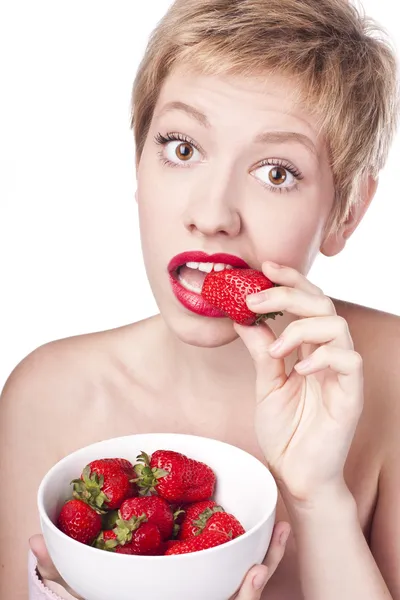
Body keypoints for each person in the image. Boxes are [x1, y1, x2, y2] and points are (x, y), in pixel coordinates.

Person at [1, 0, 399, 598]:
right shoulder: (47, 398)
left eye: (276, 173)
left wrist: (321, 498)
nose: (213, 216)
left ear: (347, 213)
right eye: (183, 148)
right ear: (138, 164)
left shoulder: (395, 381)